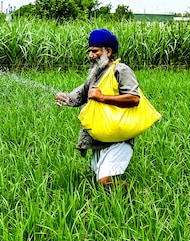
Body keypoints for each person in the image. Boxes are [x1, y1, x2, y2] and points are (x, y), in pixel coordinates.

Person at [55, 28, 140, 192]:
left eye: (95, 51)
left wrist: (103, 98)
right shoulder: (94, 75)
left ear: (108, 51)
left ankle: (138, 195)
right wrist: (64, 98)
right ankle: (119, 205)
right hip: (100, 137)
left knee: (104, 180)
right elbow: (79, 96)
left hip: (119, 136)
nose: (90, 55)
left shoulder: (121, 70)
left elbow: (134, 98)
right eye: (89, 51)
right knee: (100, 183)